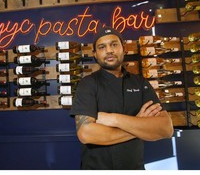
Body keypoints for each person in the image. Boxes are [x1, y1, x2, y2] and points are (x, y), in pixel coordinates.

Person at [70, 26, 174, 170]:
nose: (109, 50)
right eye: (102, 47)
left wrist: (114, 119)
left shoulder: (141, 83)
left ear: (123, 49)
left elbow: (166, 128)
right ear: (95, 54)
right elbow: (86, 134)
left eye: (114, 44)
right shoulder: (87, 84)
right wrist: (139, 124)